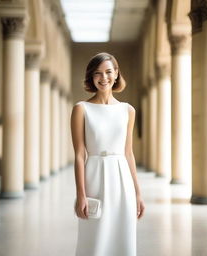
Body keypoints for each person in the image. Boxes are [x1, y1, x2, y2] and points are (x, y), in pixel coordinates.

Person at [70, 52, 145, 256]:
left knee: (123, 238)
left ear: (117, 73)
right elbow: (79, 155)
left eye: (108, 72)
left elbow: (128, 153)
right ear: (91, 77)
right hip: (94, 177)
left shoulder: (128, 110)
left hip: (123, 181)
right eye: (98, 73)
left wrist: (138, 193)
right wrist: (81, 194)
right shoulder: (81, 109)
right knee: (94, 239)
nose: (104, 78)